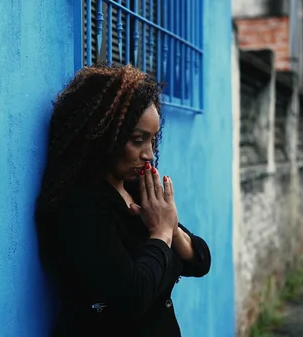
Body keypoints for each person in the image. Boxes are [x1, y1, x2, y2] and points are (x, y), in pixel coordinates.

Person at [35, 64, 211, 337]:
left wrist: (171, 228)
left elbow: (200, 261)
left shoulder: (137, 187)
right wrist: (162, 232)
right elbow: (131, 297)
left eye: (152, 140)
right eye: (138, 139)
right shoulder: (79, 205)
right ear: (103, 134)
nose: (149, 154)